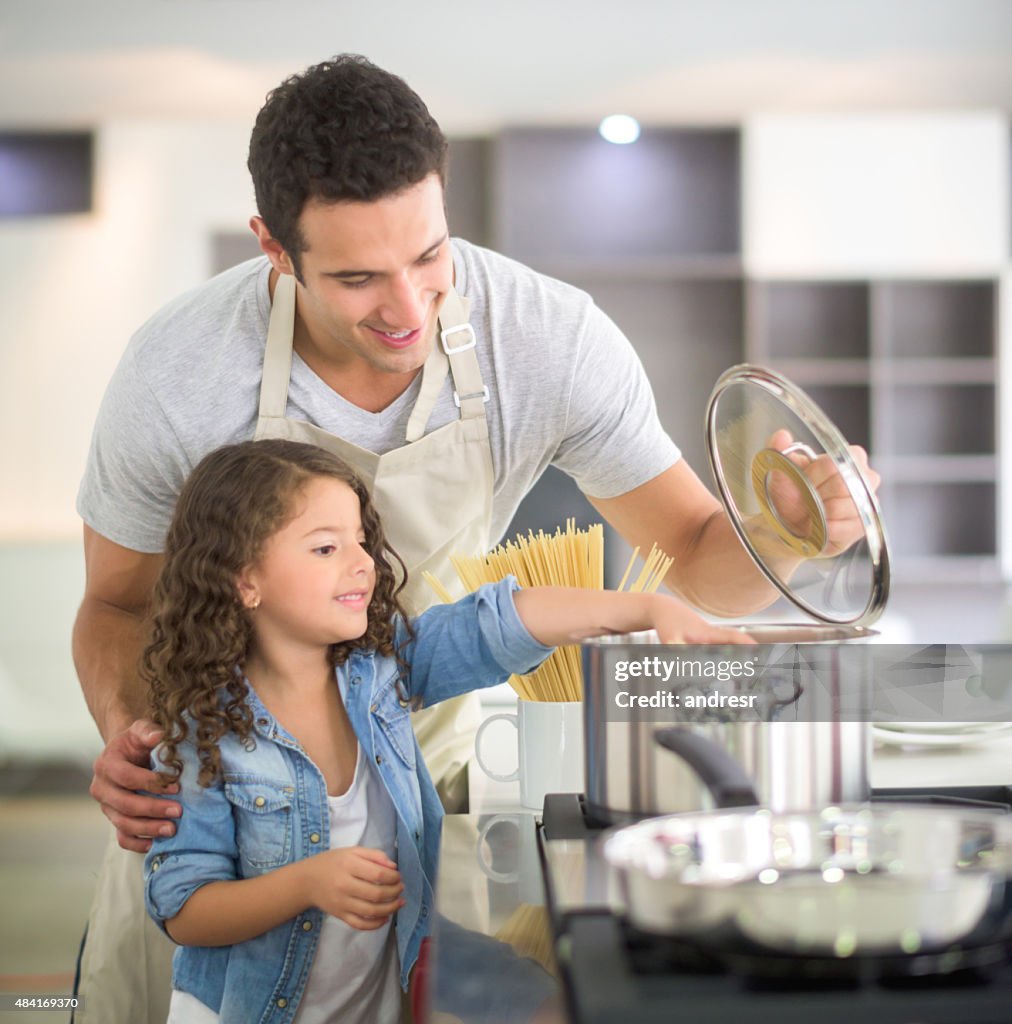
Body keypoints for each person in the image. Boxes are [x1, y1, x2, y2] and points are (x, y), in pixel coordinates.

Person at [72, 54, 878, 1023]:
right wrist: (132, 731)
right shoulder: (178, 371)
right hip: (223, 788)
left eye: (429, 255)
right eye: (360, 277)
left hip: (431, 771)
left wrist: (788, 537)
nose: (409, 310)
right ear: (274, 251)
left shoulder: (545, 338)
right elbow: (117, 602)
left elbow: (697, 559)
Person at [141, 438, 750, 1024]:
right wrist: (307, 883)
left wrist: (649, 609)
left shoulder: (382, 669)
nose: (361, 563)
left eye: (361, 540)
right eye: (325, 549)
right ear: (244, 580)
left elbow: (503, 622)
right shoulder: (201, 733)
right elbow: (185, 910)